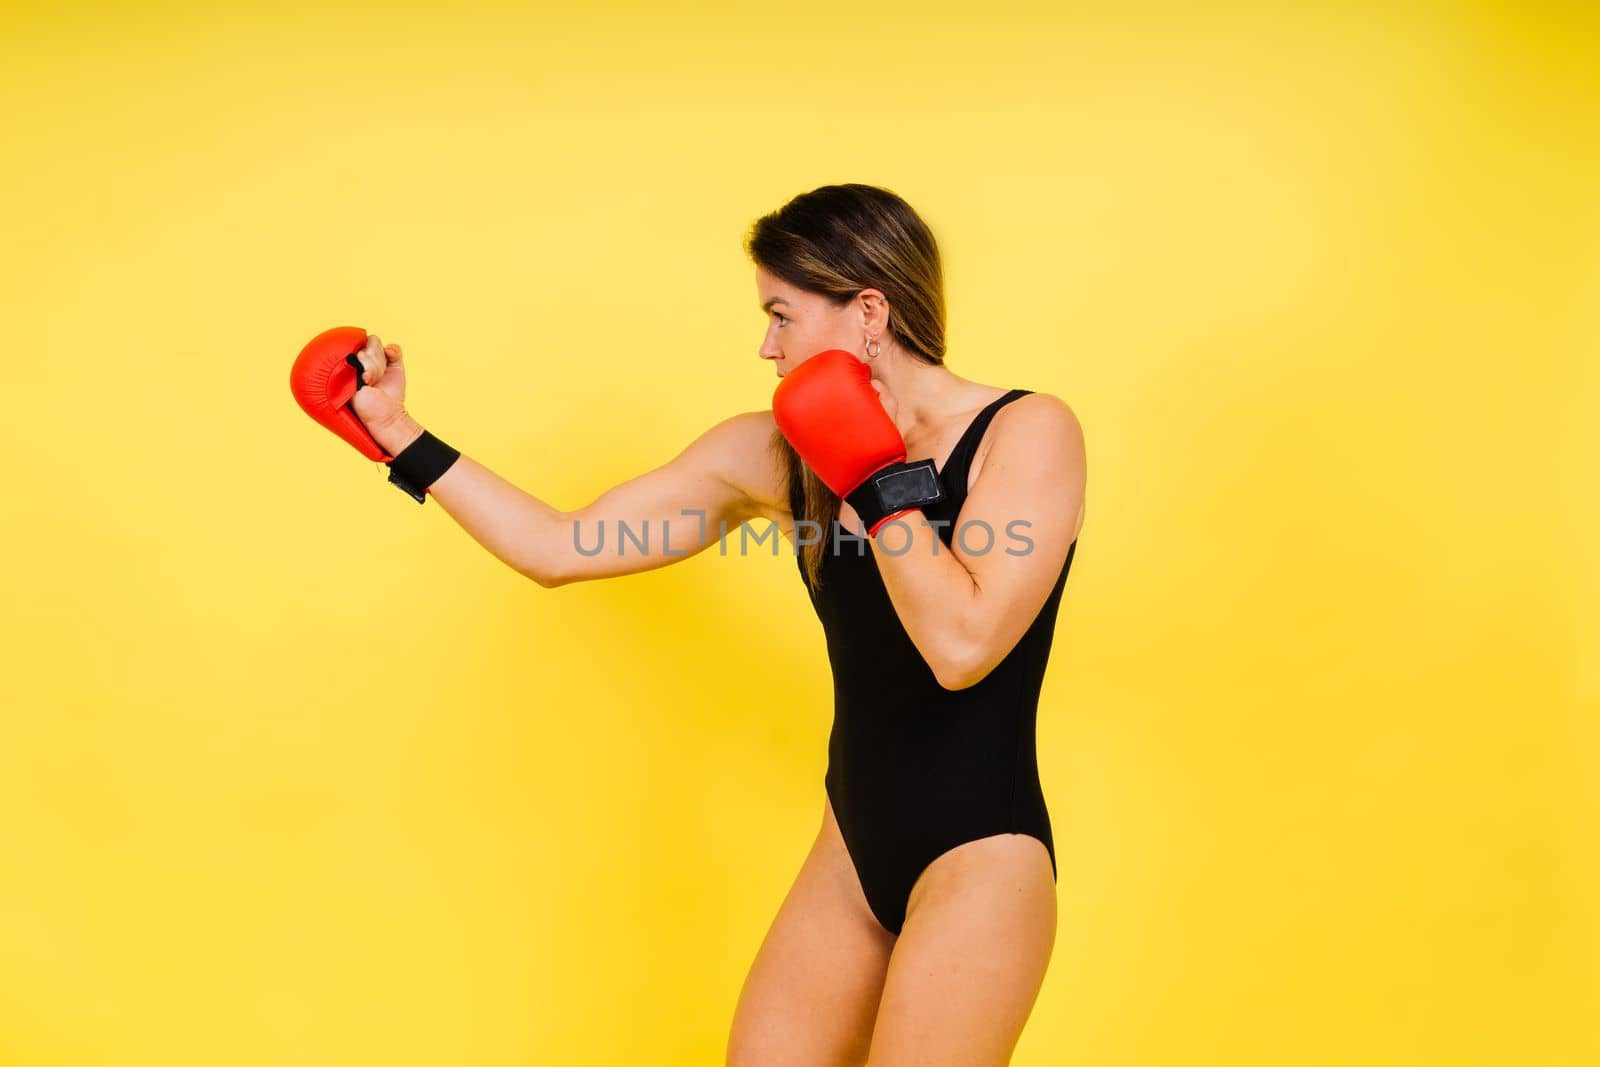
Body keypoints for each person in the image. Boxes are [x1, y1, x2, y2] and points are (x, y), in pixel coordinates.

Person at [336, 183, 1086, 1066]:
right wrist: (400, 436)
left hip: (981, 857)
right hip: (852, 852)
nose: (766, 346)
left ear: (869, 311)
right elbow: (559, 546)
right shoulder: (772, 451)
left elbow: (962, 647)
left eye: (782, 315)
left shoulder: (1026, 432)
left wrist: (875, 478)